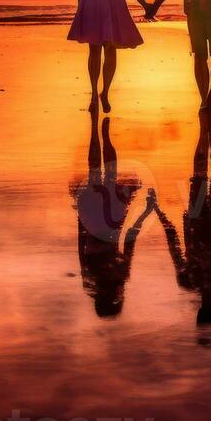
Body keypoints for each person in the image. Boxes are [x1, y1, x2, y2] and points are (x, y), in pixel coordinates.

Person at [153, 111, 211, 340]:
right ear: (201, 314)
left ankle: (208, 132)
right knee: (203, 173)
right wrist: (157, 210)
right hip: (205, 219)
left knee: (210, 173)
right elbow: (173, 241)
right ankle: (207, 131)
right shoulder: (195, 281)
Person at [71, 109, 155, 319]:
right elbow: (81, 246)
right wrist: (80, 217)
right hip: (95, 222)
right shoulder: (91, 279)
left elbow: (129, 241)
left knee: (108, 174)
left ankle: (102, 135)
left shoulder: (117, 276)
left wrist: (146, 211)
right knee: (96, 172)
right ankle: (95, 132)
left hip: (110, 222)